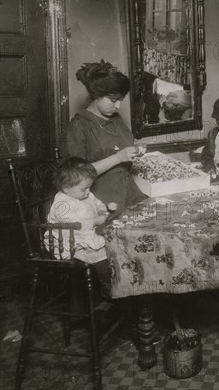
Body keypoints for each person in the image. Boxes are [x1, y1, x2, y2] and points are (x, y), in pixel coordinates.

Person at [61, 60, 146, 210]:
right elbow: (77, 175)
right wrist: (118, 157)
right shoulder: (79, 125)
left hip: (129, 191)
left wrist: (134, 150)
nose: (118, 106)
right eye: (113, 100)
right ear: (96, 95)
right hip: (101, 200)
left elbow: (119, 147)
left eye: (120, 100)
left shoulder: (116, 119)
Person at [44, 157, 109, 281]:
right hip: (69, 242)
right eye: (84, 188)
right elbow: (74, 225)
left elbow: (97, 203)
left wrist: (101, 210)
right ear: (66, 187)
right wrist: (95, 221)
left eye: (90, 187)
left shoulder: (85, 194)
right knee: (100, 255)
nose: (88, 191)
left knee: (111, 246)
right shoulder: (62, 205)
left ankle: (109, 278)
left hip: (86, 233)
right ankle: (105, 283)